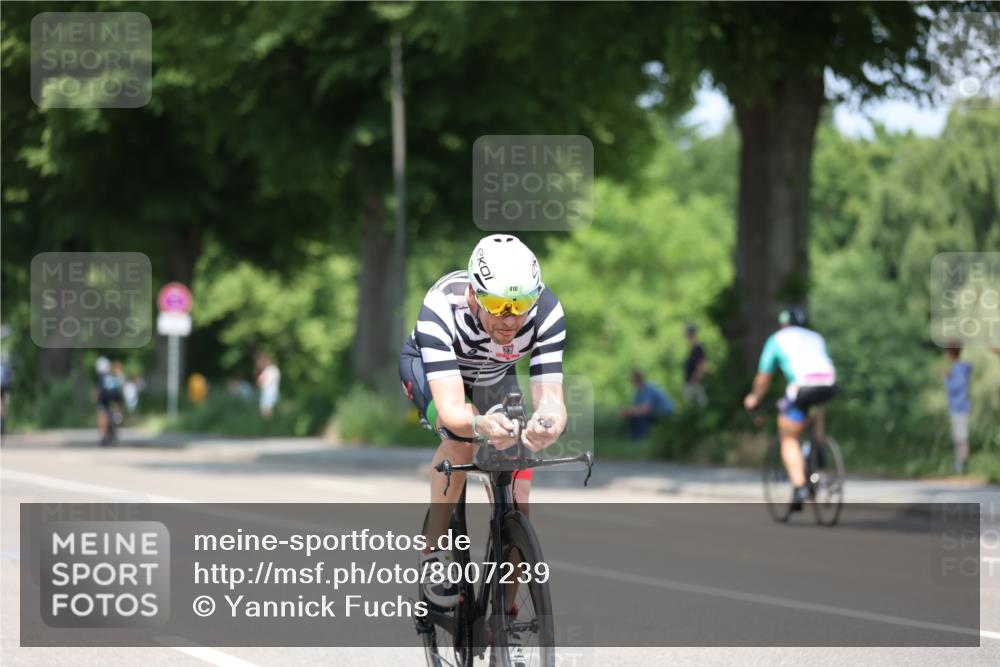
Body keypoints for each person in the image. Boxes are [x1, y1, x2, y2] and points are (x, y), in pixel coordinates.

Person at [399, 234, 567, 607]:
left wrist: (548, 424)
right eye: (497, 305)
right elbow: (454, 411)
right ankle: (433, 554)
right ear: (474, 295)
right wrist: (481, 426)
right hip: (432, 372)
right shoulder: (442, 306)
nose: (510, 319)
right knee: (461, 441)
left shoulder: (547, 312)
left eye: (521, 304)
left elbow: (552, 400)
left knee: (519, 493)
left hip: (494, 375)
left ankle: (507, 623)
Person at [744, 307, 837, 511]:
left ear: (784, 324)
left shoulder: (777, 339)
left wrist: (754, 399)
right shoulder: (816, 337)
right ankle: (819, 455)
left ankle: (800, 486)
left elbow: (763, 379)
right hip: (828, 384)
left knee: (788, 436)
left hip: (802, 386)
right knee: (816, 406)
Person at [941, 345, 972, 474]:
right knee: (959, 437)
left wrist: (945, 379)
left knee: (960, 438)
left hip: (959, 407)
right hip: (960, 407)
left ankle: (961, 466)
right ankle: (960, 464)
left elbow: (956, 387)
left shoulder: (958, 368)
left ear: (950, 353)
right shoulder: (961, 368)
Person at [620, 369, 673, 440]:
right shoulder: (638, 392)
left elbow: (646, 409)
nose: (630, 382)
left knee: (641, 416)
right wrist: (627, 412)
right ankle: (634, 440)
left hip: (664, 414)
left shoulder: (648, 388)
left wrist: (629, 412)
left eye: (631, 380)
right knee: (633, 416)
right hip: (654, 413)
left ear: (637, 379)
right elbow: (637, 407)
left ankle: (642, 439)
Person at [93, 357, 123, 445]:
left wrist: (94, 397)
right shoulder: (114, 373)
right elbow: (119, 387)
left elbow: (97, 389)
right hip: (115, 395)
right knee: (119, 402)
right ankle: (118, 415)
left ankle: (103, 434)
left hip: (104, 396)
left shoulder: (101, 376)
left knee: (102, 412)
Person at [682, 323, 708, 407]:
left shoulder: (698, 348)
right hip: (691, 383)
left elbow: (702, 365)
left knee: (699, 406)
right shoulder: (693, 349)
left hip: (695, 384)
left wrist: (695, 379)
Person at [256, 353, 280, 418]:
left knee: (266, 413)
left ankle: (269, 426)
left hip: (269, 393)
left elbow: (264, 383)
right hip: (269, 393)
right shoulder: (271, 370)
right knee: (265, 412)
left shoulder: (271, 370)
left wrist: (261, 381)